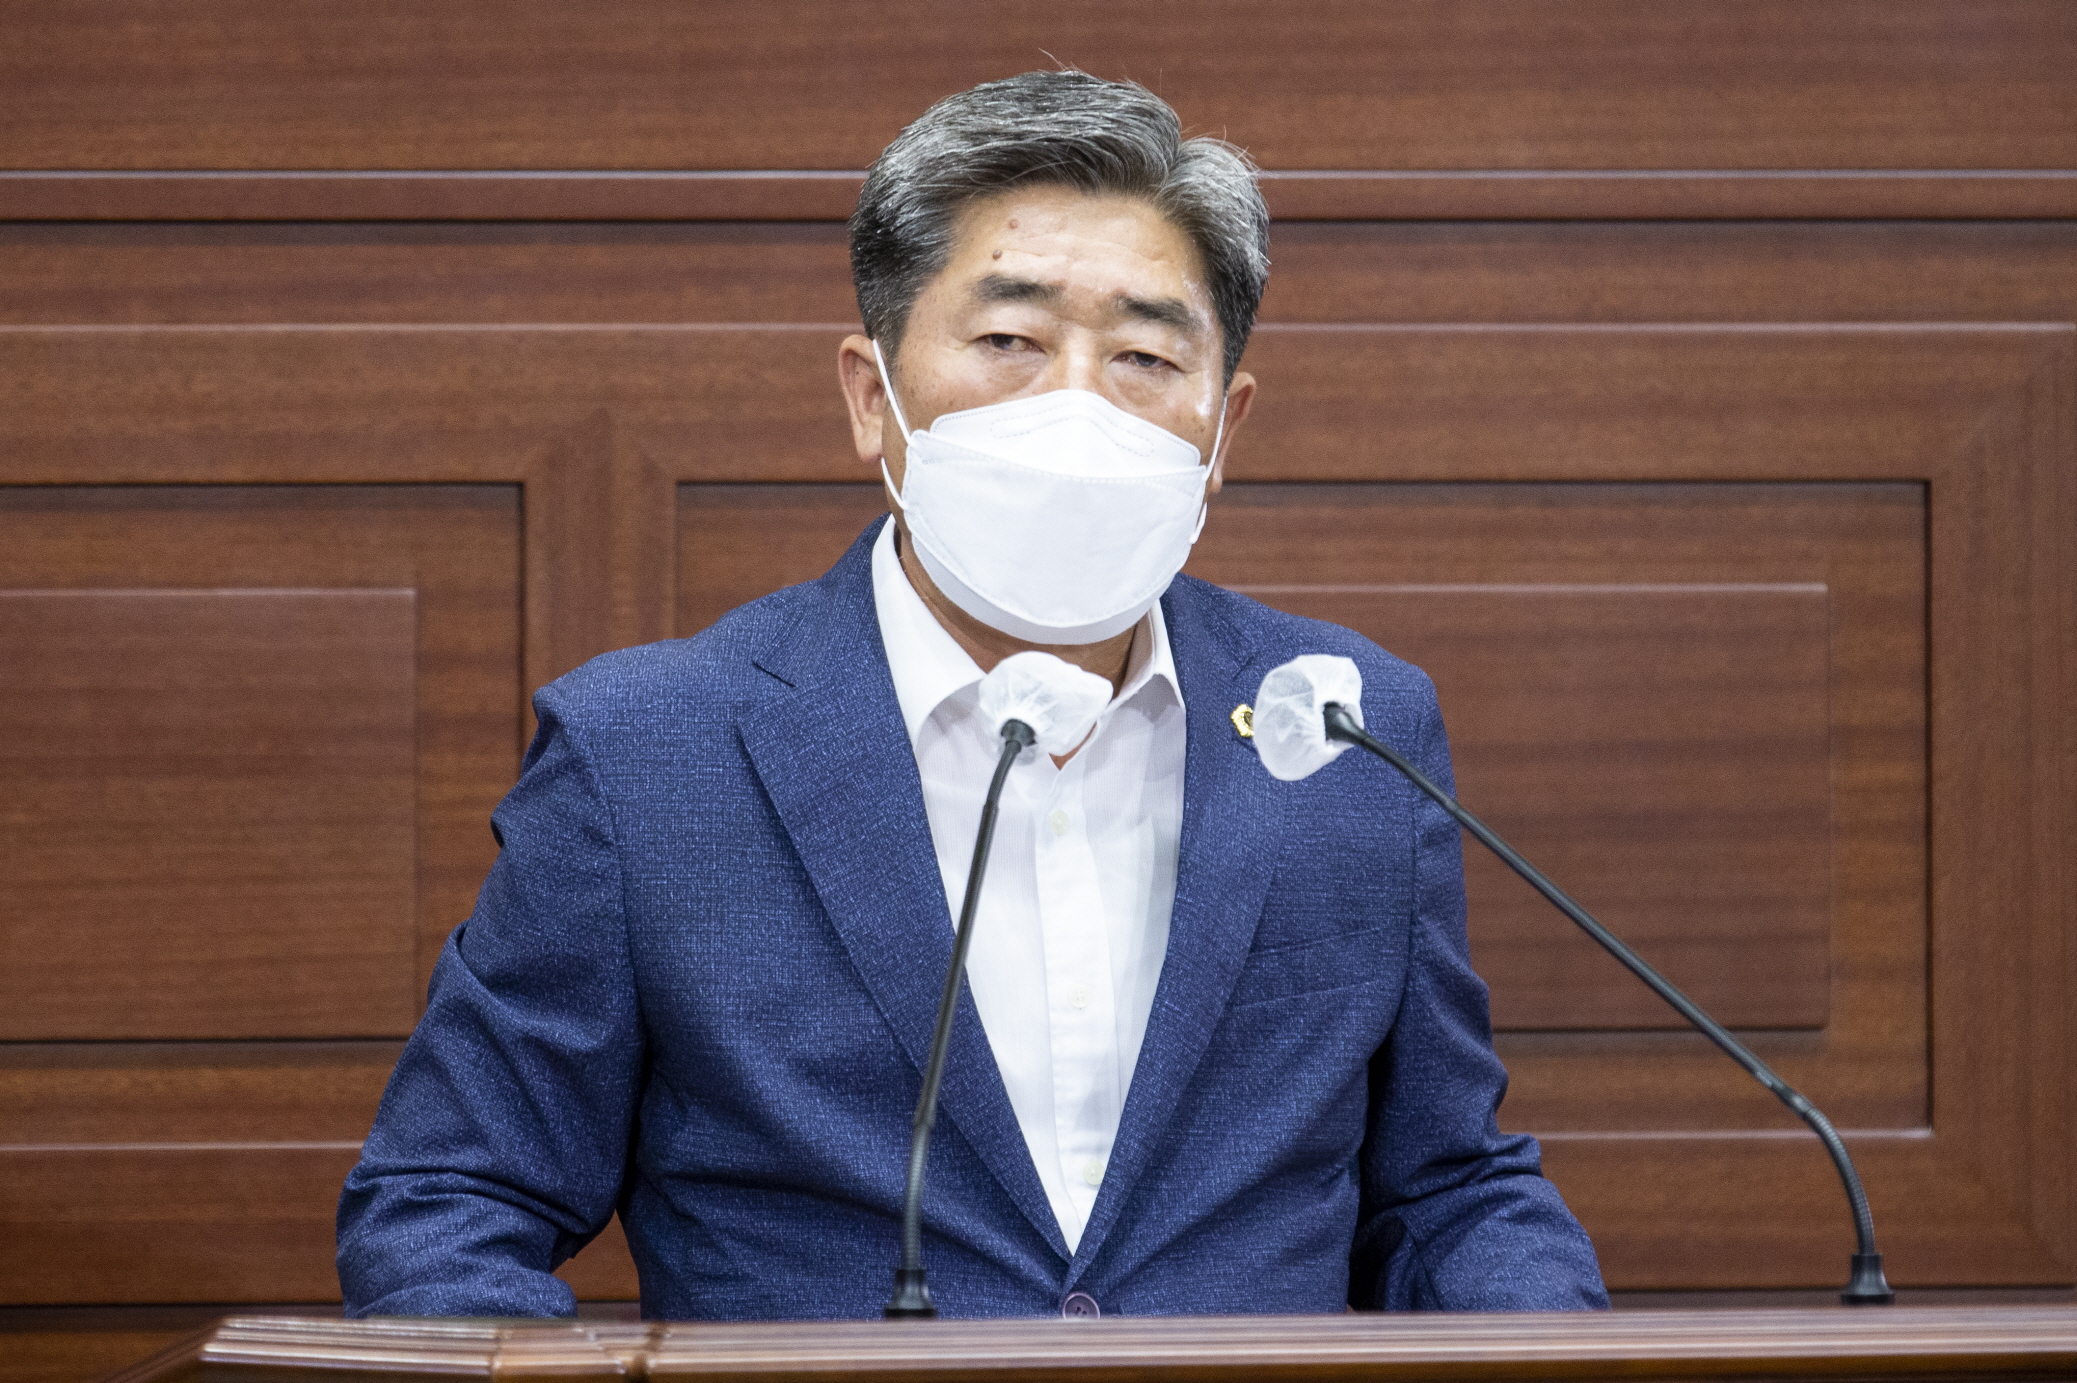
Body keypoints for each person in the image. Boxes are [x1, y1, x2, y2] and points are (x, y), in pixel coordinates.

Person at [336, 70, 1606, 1320]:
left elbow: (1445, 1191)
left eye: (1145, 355)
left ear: (1224, 429)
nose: (1077, 405)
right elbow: (446, 1206)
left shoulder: (1344, 731)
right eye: (1008, 341)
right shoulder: (649, 754)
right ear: (870, 397)